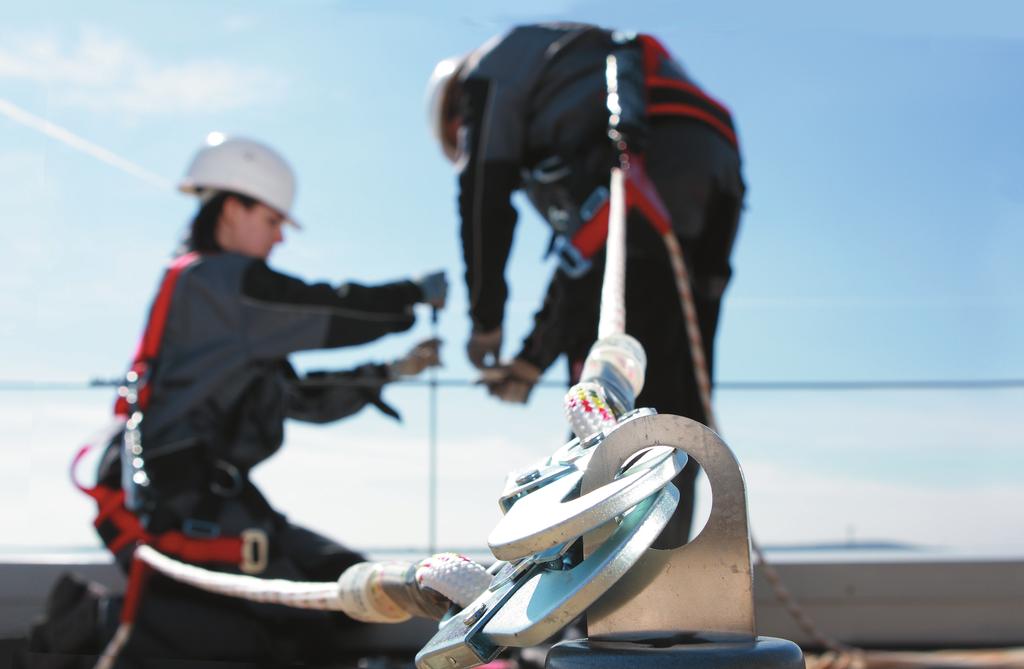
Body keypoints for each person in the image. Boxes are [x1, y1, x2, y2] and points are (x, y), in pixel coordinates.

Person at [28, 134, 451, 667]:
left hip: (208, 499)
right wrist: (410, 294)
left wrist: (390, 370)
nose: (279, 239)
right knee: (311, 619)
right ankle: (105, 625)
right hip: (187, 508)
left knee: (348, 578)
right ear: (233, 207)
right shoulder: (216, 284)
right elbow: (325, 309)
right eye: (273, 222)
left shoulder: (220, 300)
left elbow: (298, 397)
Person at [427, 23, 745, 546]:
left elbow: (483, 195)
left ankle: (613, 589)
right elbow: (587, 260)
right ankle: (667, 584)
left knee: (612, 374)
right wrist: (532, 358)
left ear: (455, 110)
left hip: (651, 154)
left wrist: (486, 322)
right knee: (678, 374)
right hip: (716, 161)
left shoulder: (488, 77)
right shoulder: (576, 66)